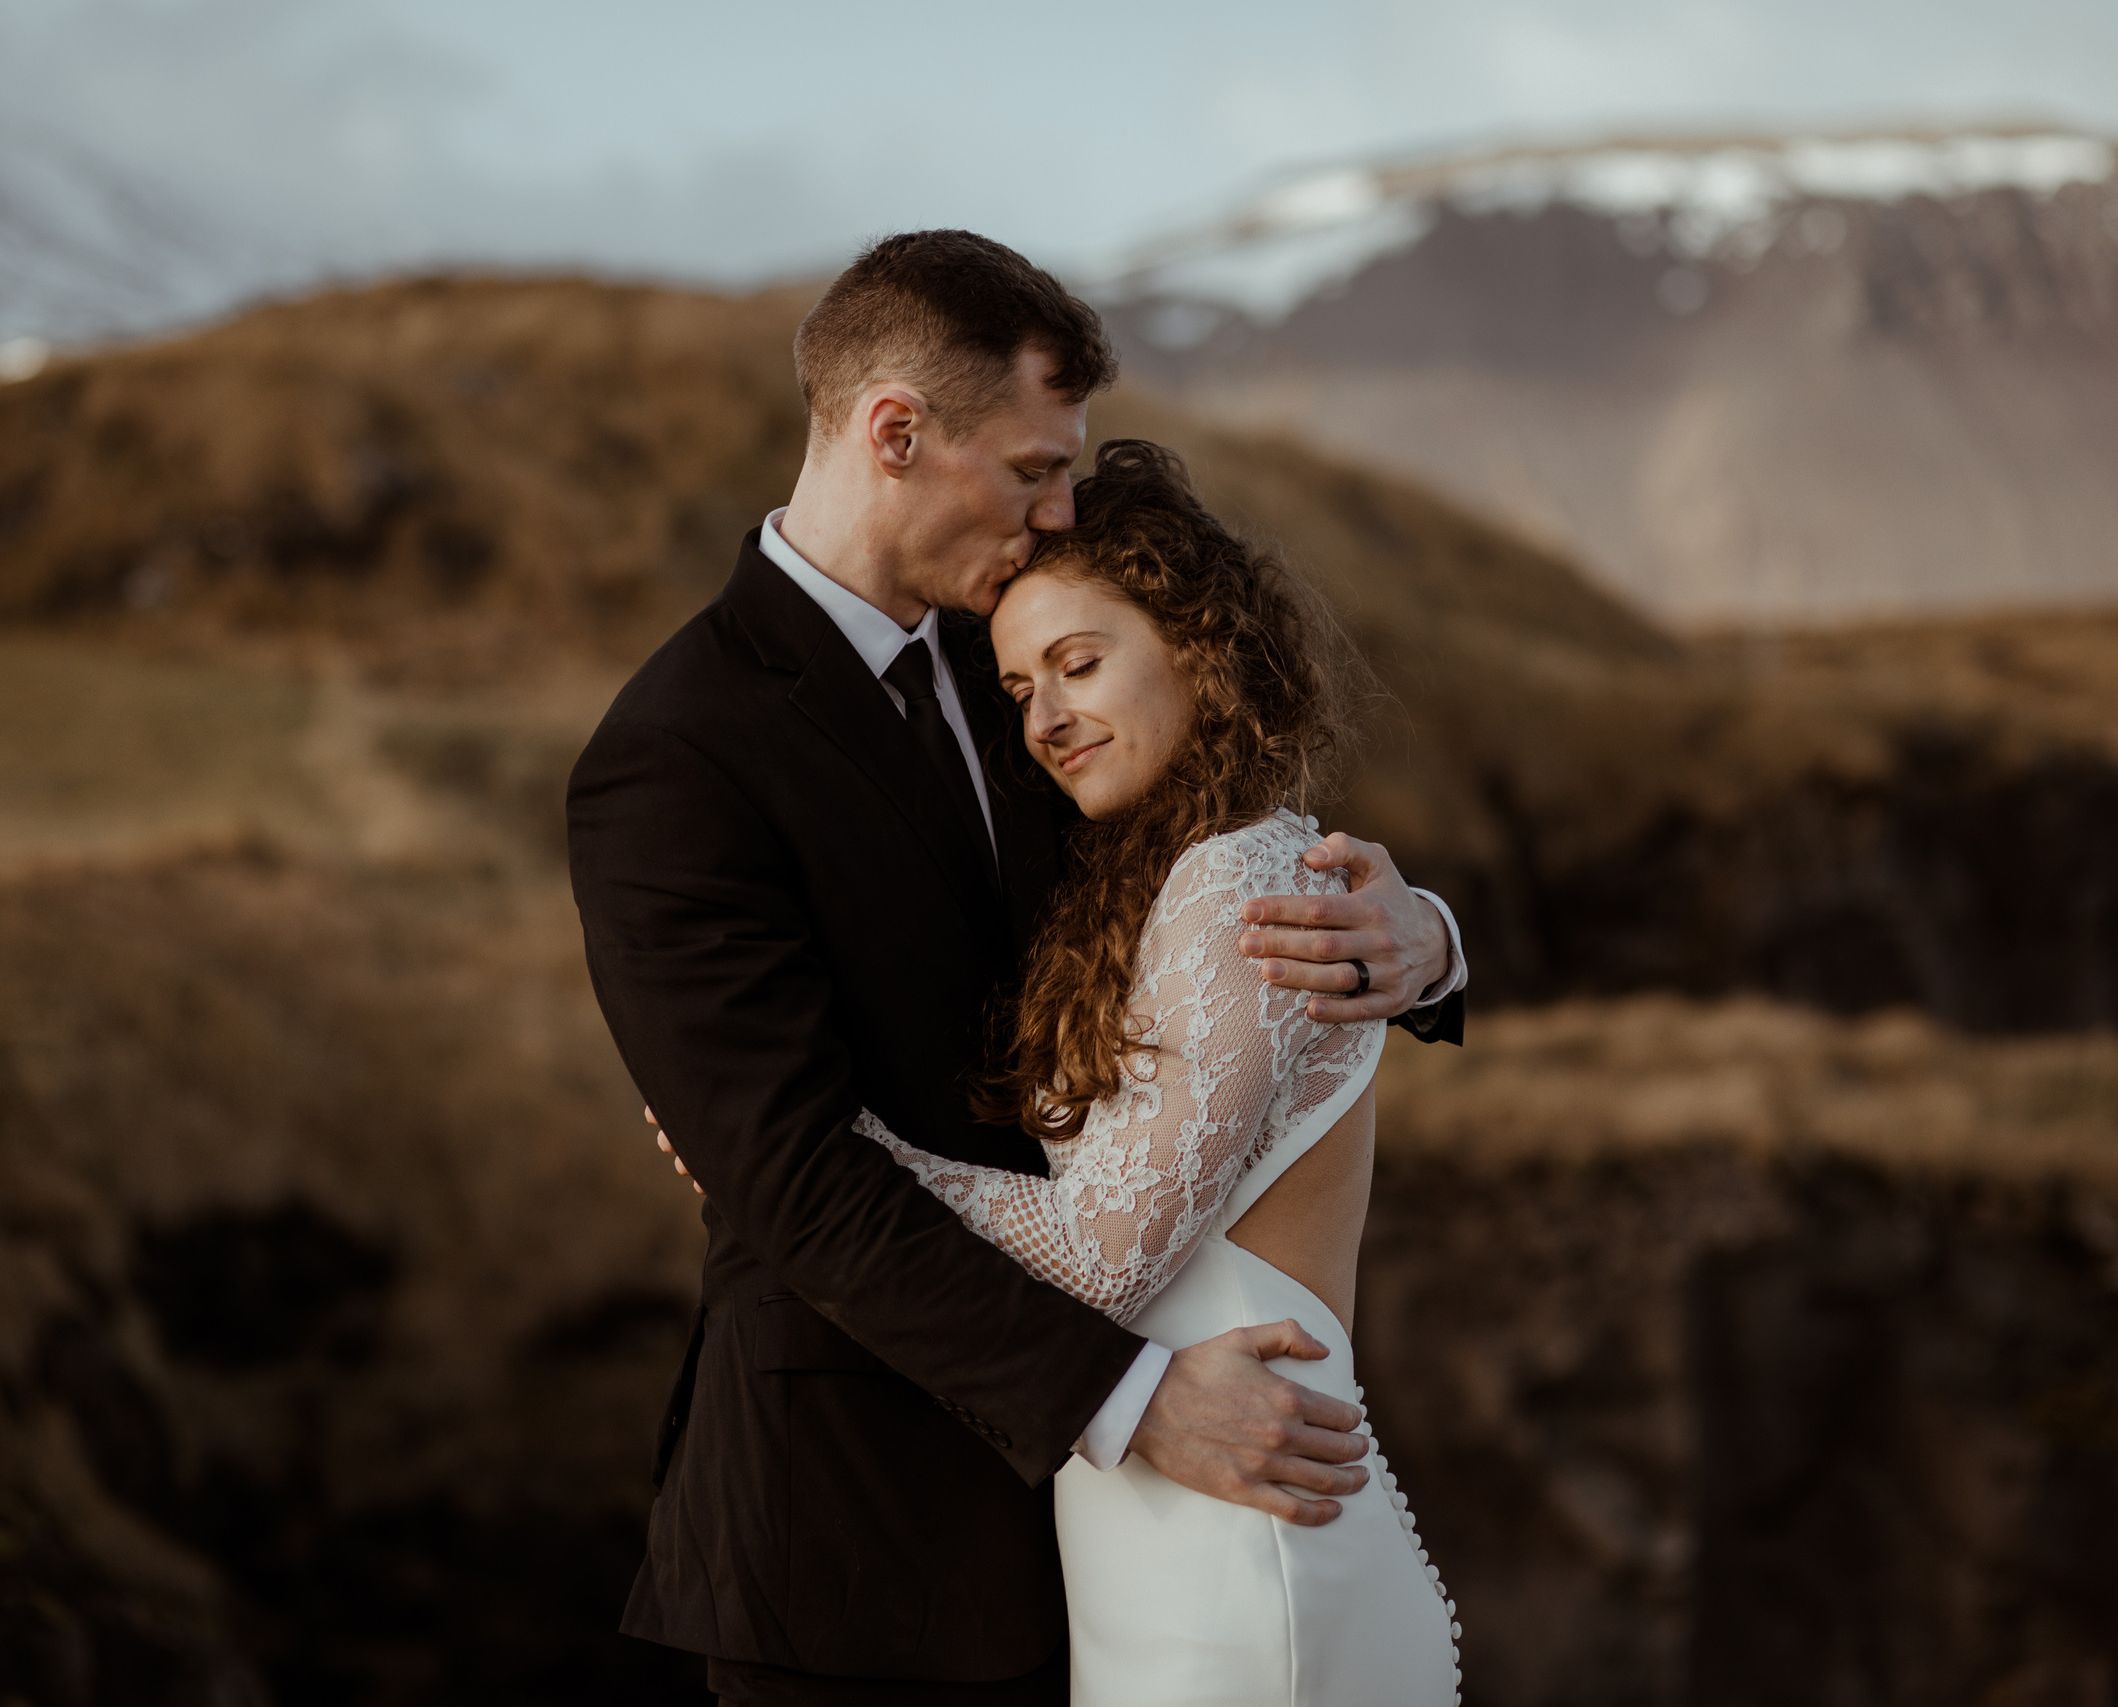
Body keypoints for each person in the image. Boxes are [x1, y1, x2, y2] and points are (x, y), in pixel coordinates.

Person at [567, 229, 1466, 1706]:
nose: (1061, 514)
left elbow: (1209, 866)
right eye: (1038, 470)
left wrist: (1423, 938)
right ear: (897, 434)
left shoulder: (1031, 665)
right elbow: (793, 1177)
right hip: (856, 1544)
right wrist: (1131, 1403)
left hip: (1120, 1536)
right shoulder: (675, 756)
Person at [861, 438, 1459, 1704]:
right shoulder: (1139, 888)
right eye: (1020, 687)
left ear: (1199, 645)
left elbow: (1102, 1255)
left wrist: (832, 1154)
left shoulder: (1239, 878)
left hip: (1246, 1562)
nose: (1046, 719)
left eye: (1080, 664)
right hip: (1157, 1536)